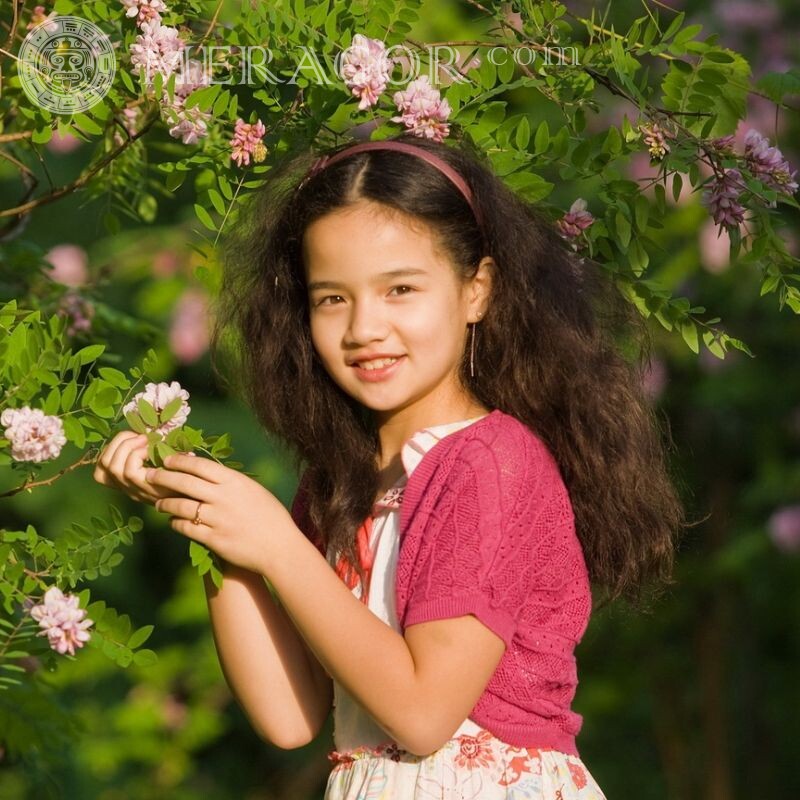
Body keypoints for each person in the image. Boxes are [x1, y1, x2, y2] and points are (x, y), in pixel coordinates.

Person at [94, 132, 686, 798]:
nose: (364, 328)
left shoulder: (492, 461)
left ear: (476, 290)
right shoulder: (339, 480)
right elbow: (290, 716)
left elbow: (424, 713)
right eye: (331, 298)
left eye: (400, 288)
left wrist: (278, 547)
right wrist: (216, 524)